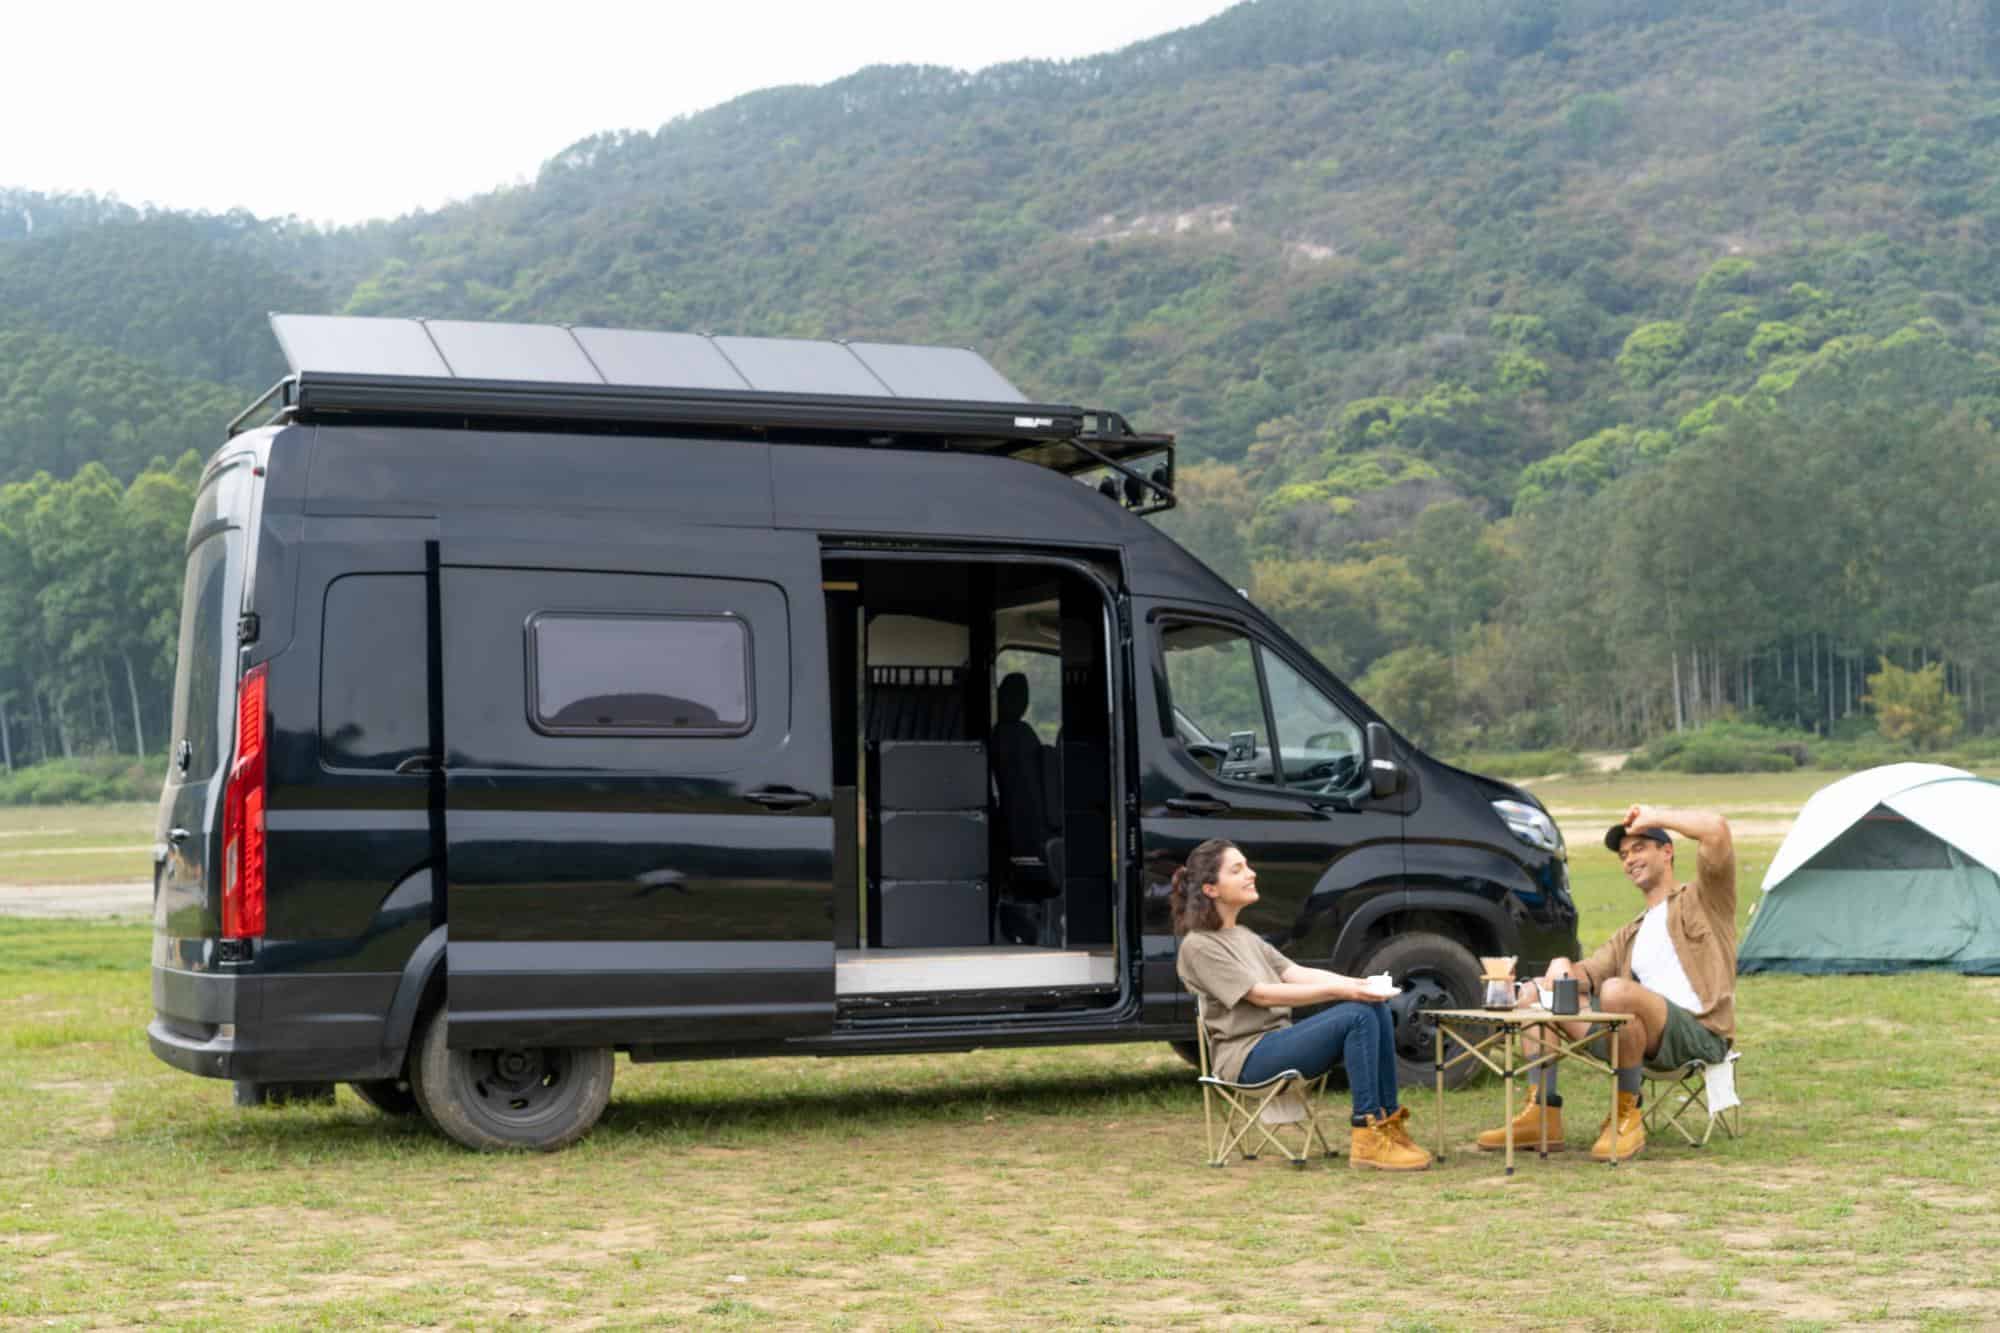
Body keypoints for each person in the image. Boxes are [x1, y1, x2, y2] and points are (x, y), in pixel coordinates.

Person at [1478, 804, 1737, 1161]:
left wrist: (1655, 818)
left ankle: (1626, 1114)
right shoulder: (1631, 932)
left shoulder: (1706, 899)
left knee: (1616, 991)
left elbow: (1716, 829)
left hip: (1698, 1033)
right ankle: (1542, 1113)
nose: (1629, 859)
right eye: (1624, 854)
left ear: (1667, 851)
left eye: (1639, 847)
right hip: (1636, 1037)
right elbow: (1588, 974)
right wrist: (1562, 969)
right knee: (1537, 992)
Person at [1172, 838, 1431, 1171]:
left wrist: (1359, 984)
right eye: (1237, 870)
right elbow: (1260, 994)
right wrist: (1343, 992)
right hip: (1248, 1057)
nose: (1251, 874)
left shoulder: (1244, 935)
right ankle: (1366, 1136)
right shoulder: (1199, 946)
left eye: (1247, 866)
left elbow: (1294, 972)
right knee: (1356, 1015)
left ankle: (1387, 1128)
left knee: (1373, 1008)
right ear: (1211, 889)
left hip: (1277, 1042)